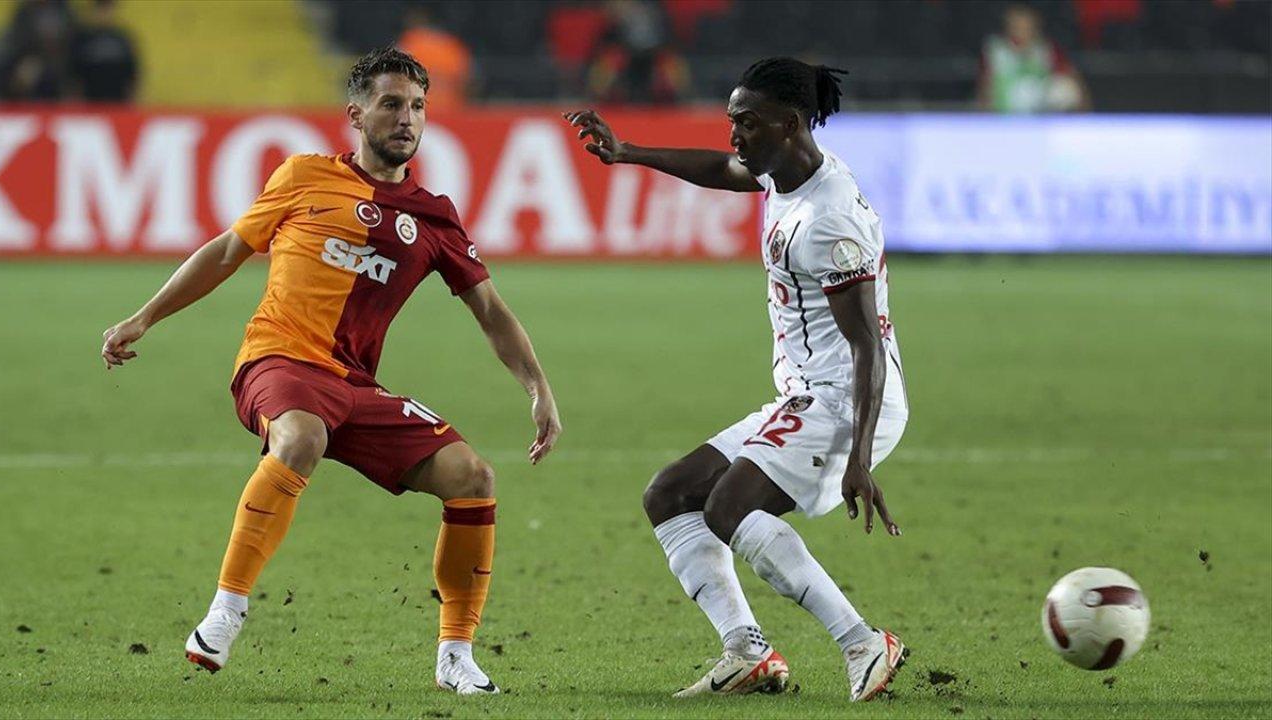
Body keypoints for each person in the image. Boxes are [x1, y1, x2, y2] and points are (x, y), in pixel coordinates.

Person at [100, 47, 561, 695]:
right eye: (392, 103)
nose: (407, 118)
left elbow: (489, 310)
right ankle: (226, 609)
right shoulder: (303, 176)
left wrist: (538, 388)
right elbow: (227, 252)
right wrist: (143, 318)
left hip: (354, 388)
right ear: (357, 114)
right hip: (278, 361)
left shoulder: (433, 215)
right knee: (300, 436)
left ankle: (456, 654)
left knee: (473, 478)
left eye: (418, 106)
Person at [564, 56, 909, 701]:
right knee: (670, 494)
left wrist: (859, 457)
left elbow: (866, 346)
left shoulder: (830, 219)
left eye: (747, 122)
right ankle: (748, 654)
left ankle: (863, 643)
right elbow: (725, 171)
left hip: (847, 400)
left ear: (790, 123)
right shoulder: (787, 173)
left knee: (729, 507)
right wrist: (628, 152)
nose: (734, 135)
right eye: (733, 120)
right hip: (805, 395)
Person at [978, 4, 1090, 113]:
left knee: (1064, 88)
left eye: (1025, 26)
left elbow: (1071, 77)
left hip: (1040, 112)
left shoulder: (1046, 49)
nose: (1021, 30)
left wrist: (1085, 111)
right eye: (1017, 25)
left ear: (1035, 27)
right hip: (1004, 111)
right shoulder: (996, 50)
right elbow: (985, 86)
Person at [395, 7, 471, 109]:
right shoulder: (452, 45)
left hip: (419, 109)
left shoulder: (408, 43)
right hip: (451, 109)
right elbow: (468, 83)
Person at [70, 0, 139, 102]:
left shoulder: (122, 39)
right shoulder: (83, 39)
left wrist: (131, 97)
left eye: (107, 9)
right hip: (90, 101)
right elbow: (75, 73)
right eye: (101, 10)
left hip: (118, 100)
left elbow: (132, 72)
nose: (104, 14)